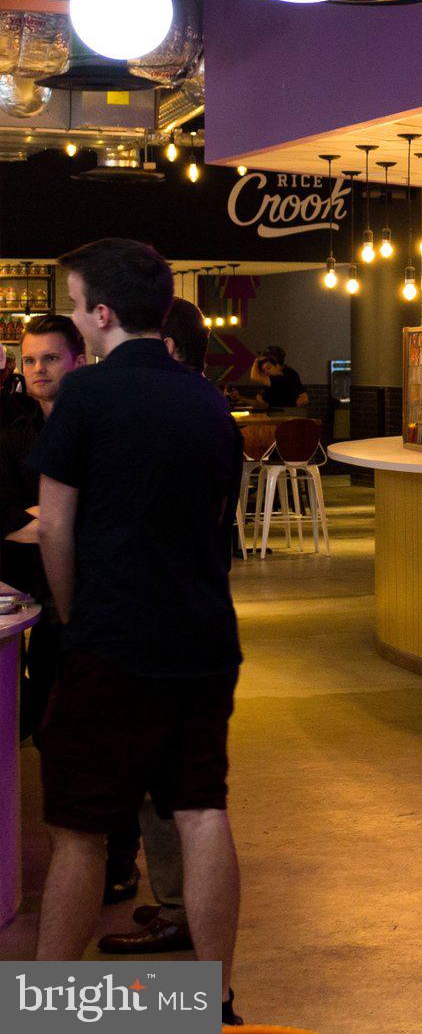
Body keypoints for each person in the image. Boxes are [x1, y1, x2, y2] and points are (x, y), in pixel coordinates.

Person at [28, 240, 245, 1022]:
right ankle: (210, 999)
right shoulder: (207, 399)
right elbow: (221, 520)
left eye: (77, 302)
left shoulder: (85, 398)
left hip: (113, 638)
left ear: (102, 314)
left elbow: (56, 526)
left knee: (81, 830)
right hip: (202, 637)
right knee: (201, 808)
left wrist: (72, 613)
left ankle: (54, 1008)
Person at [96, 295, 211, 958]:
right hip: (187, 622)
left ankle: (180, 913)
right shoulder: (198, 410)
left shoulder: (171, 416)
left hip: (161, 628)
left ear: (167, 349)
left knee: (166, 788)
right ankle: (177, 904)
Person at [0, 314, 85, 735]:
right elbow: (1, 517)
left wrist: (37, 515)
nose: (38, 370)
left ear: (79, 362)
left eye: (50, 358)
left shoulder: (100, 432)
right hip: (26, 585)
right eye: (30, 360)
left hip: (91, 592)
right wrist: (67, 516)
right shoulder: (14, 436)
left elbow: (103, 512)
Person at [246, 346, 306, 411]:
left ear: (274, 360)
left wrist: (256, 360)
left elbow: (254, 377)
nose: (266, 372)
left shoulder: (283, 376)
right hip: (284, 413)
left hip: (283, 415)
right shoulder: (288, 373)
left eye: (268, 367)